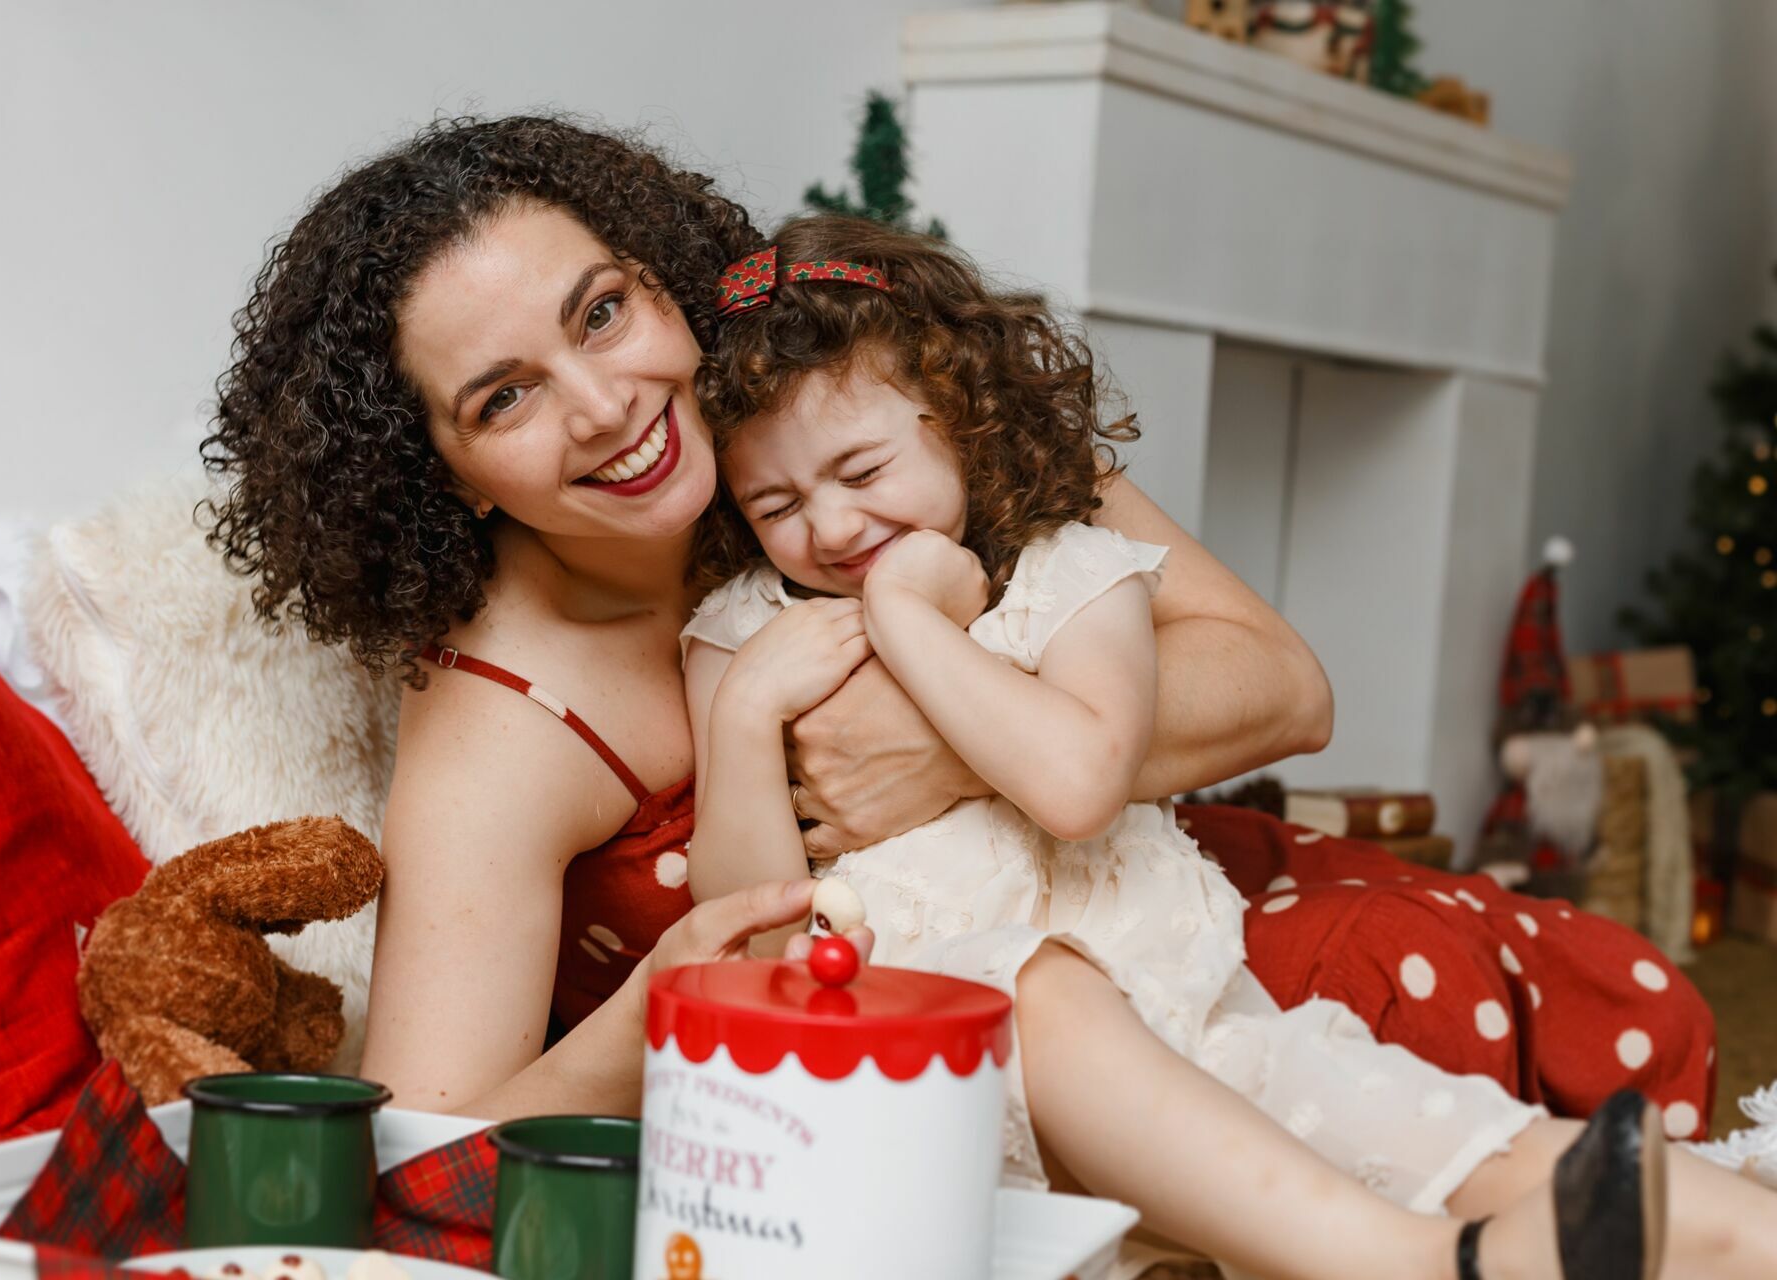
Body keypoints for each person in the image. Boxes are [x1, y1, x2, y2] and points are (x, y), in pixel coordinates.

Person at [678, 215, 1777, 1280]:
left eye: (862, 473)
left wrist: (910, 622)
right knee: (1040, 989)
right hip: (937, 1039)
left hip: (1191, 1008)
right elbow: (745, 932)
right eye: (775, 503)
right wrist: (740, 717)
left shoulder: (1074, 575)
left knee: (1464, 1137)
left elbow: (1074, 781)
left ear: (960, 420)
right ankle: (1420, 1266)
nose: (827, 529)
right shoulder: (746, 632)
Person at [201, 114, 1327, 1116]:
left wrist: (951, 751)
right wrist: (676, 994)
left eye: (601, 313)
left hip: (1182, 913)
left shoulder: (856, 396)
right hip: (998, 1050)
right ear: (448, 475)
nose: (604, 407)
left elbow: (1287, 685)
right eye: (506, 396)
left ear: (663, 287)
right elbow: (432, 1136)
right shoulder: (504, 725)